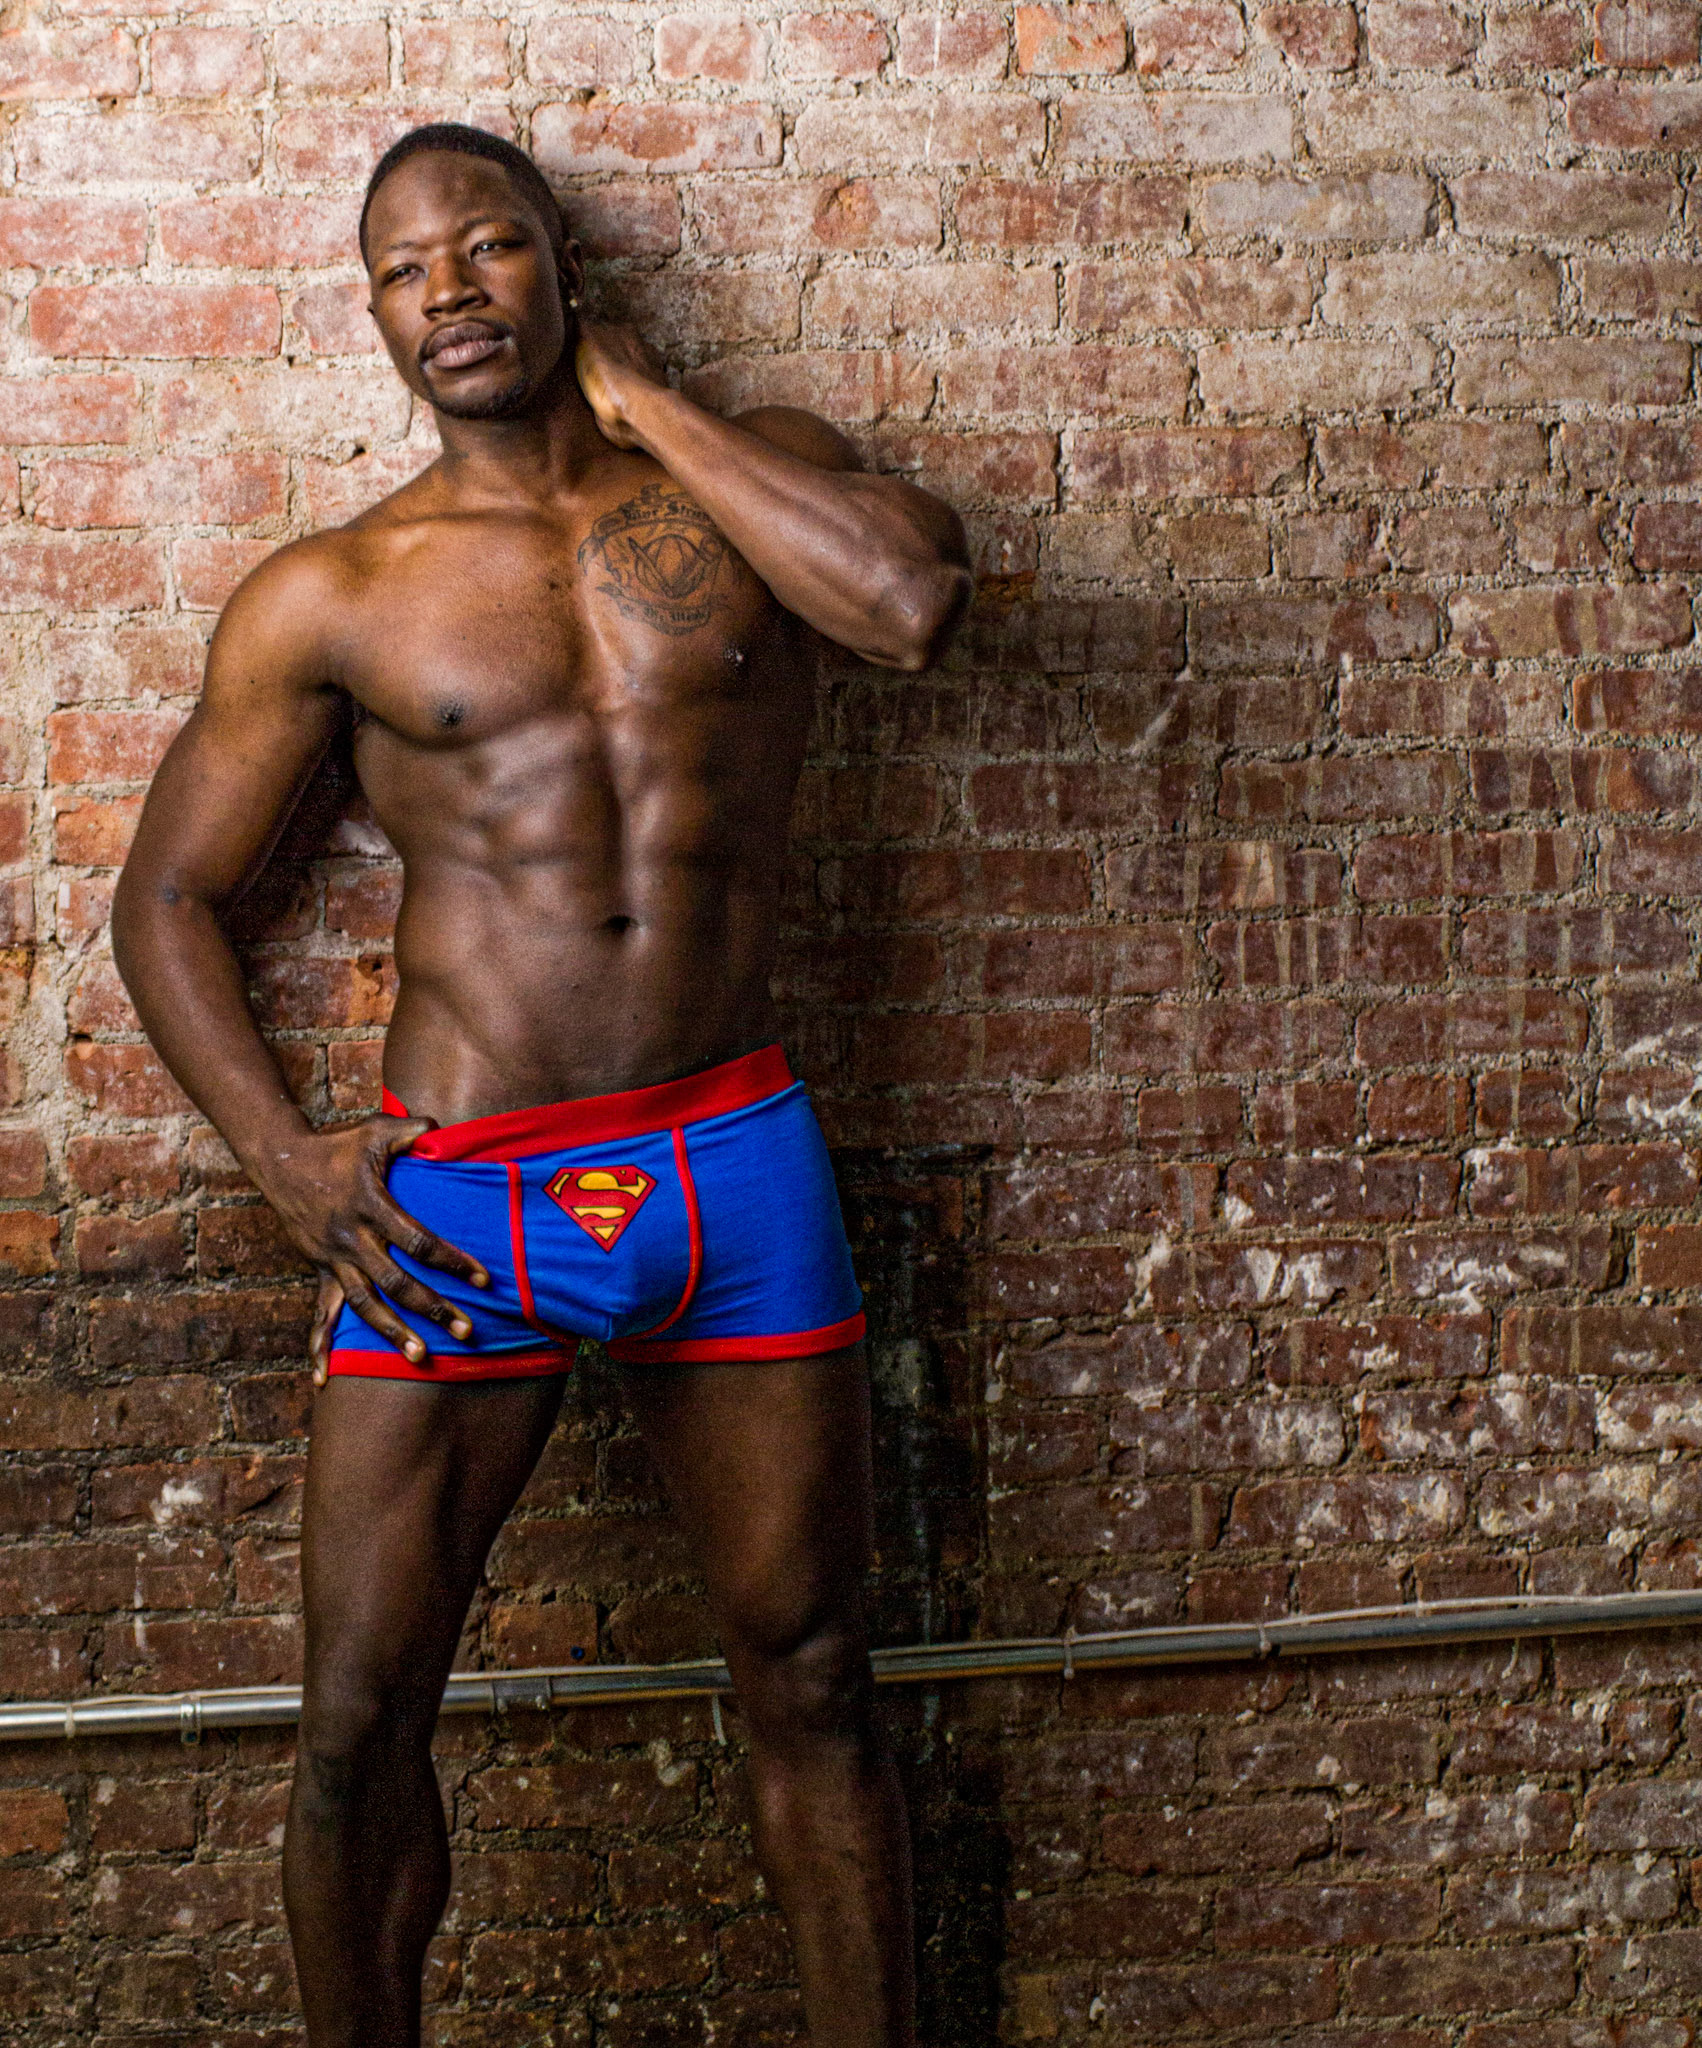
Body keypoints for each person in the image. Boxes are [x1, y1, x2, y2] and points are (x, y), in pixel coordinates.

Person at [111, 121, 971, 2048]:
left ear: (561, 267)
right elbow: (165, 900)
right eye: (403, 268)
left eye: (486, 245)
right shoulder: (335, 591)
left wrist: (651, 408)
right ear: (372, 317)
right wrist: (282, 1158)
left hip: (730, 1166)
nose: (449, 290)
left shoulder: (754, 477)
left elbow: (907, 607)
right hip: (462, 1195)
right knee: (357, 1718)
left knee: (814, 1675)